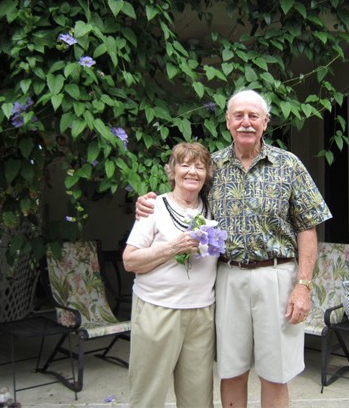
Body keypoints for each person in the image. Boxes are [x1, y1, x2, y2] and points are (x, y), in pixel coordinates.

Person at [136, 89, 332, 408]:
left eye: (253, 116)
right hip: (228, 277)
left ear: (265, 122)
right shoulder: (212, 166)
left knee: (276, 373)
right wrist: (148, 203)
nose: (245, 123)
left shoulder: (289, 165)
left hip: (277, 276)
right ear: (227, 122)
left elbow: (307, 228)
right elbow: (183, 196)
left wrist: (303, 286)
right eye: (238, 116)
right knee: (231, 370)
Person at [123, 142, 217, 408]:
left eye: (199, 167)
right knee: (147, 395)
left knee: (198, 398)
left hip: (201, 314)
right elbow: (130, 260)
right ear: (172, 171)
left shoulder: (212, 210)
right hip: (157, 310)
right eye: (184, 165)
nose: (192, 172)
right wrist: (172, 247)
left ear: (206, 174)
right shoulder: (154, 207)